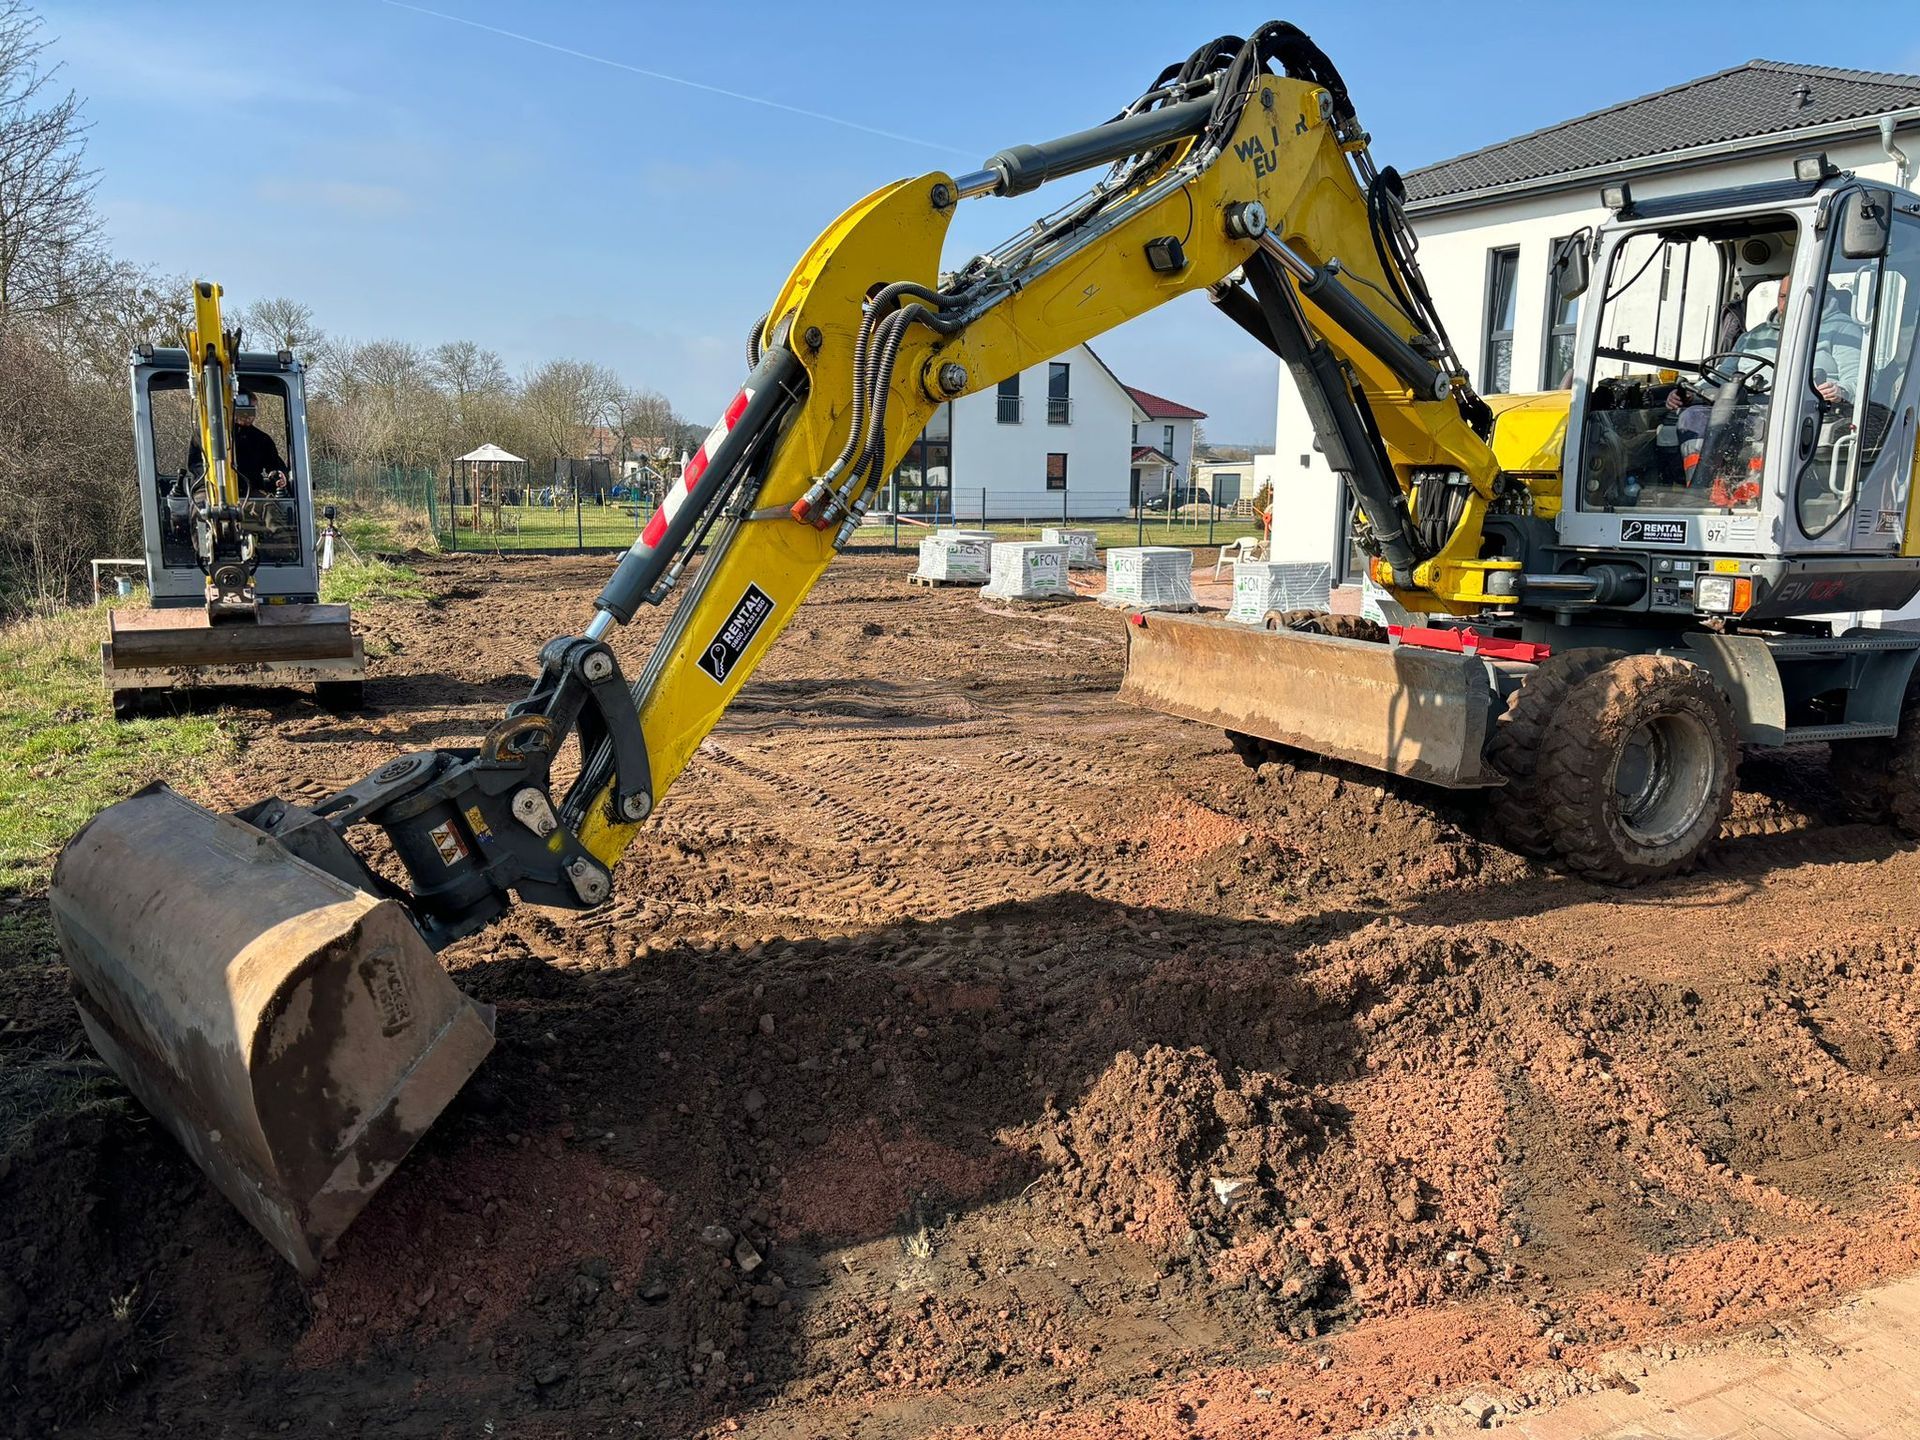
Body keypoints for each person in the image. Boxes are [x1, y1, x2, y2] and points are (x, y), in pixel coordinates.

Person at [186, 392, 291, 496]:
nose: (249, 415)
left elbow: (273, 463)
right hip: (209, 488)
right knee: (200, 508)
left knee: (269, 510)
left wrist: (279, 474)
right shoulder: (205, 435)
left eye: (253, 410)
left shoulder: (261, 438)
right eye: (246, 409)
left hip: (250, 490)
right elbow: (196, 464)